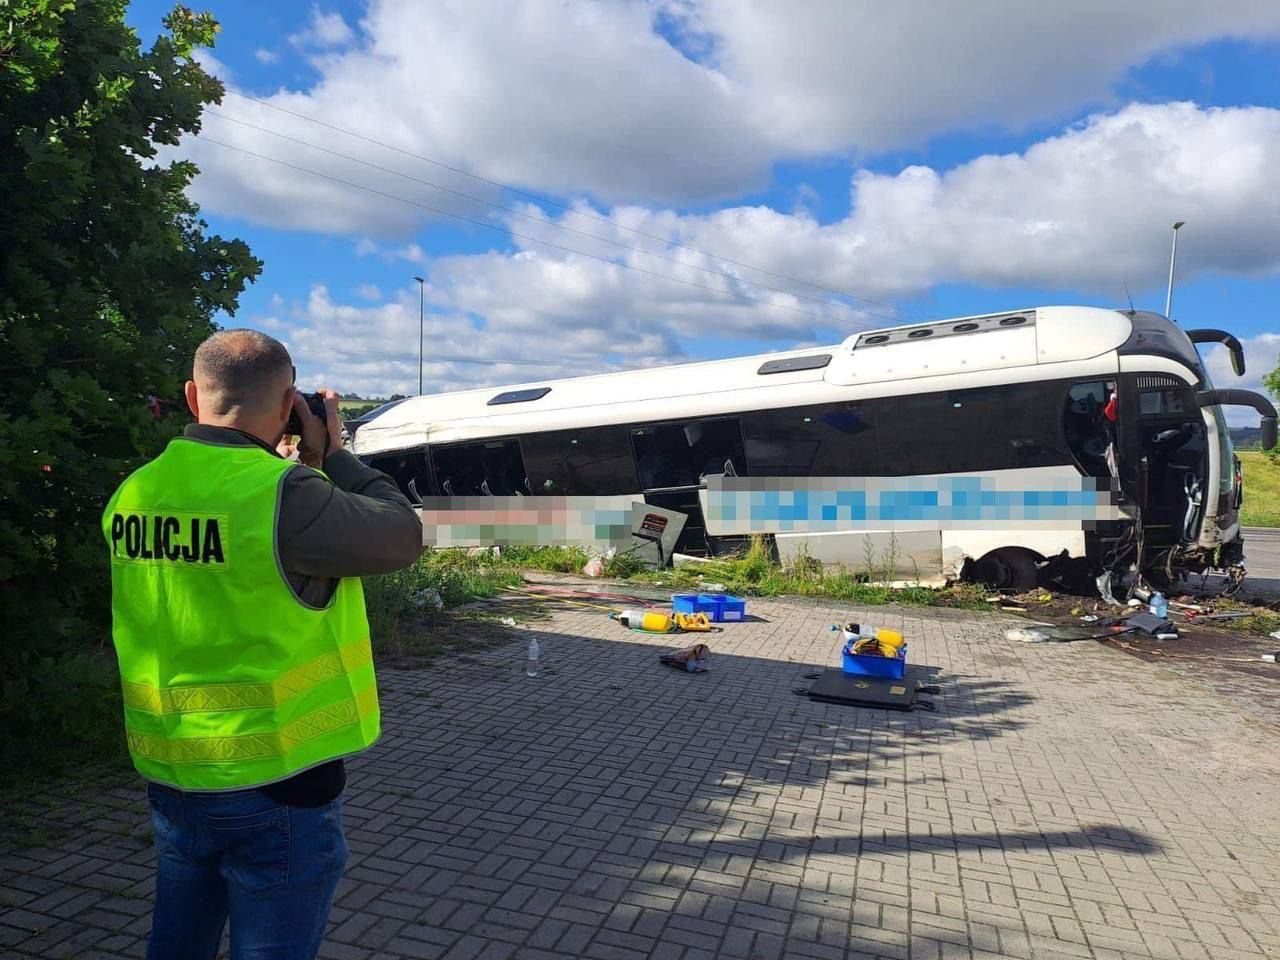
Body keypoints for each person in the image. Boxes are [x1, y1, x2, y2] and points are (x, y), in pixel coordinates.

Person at [102, 329, 423, 959]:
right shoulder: (284, 492)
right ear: (287, 405)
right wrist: (336, 457)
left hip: (173, 770)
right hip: (276, 779)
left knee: (178, 943)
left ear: (192, 396)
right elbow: (401, 535)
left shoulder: (135, 490)